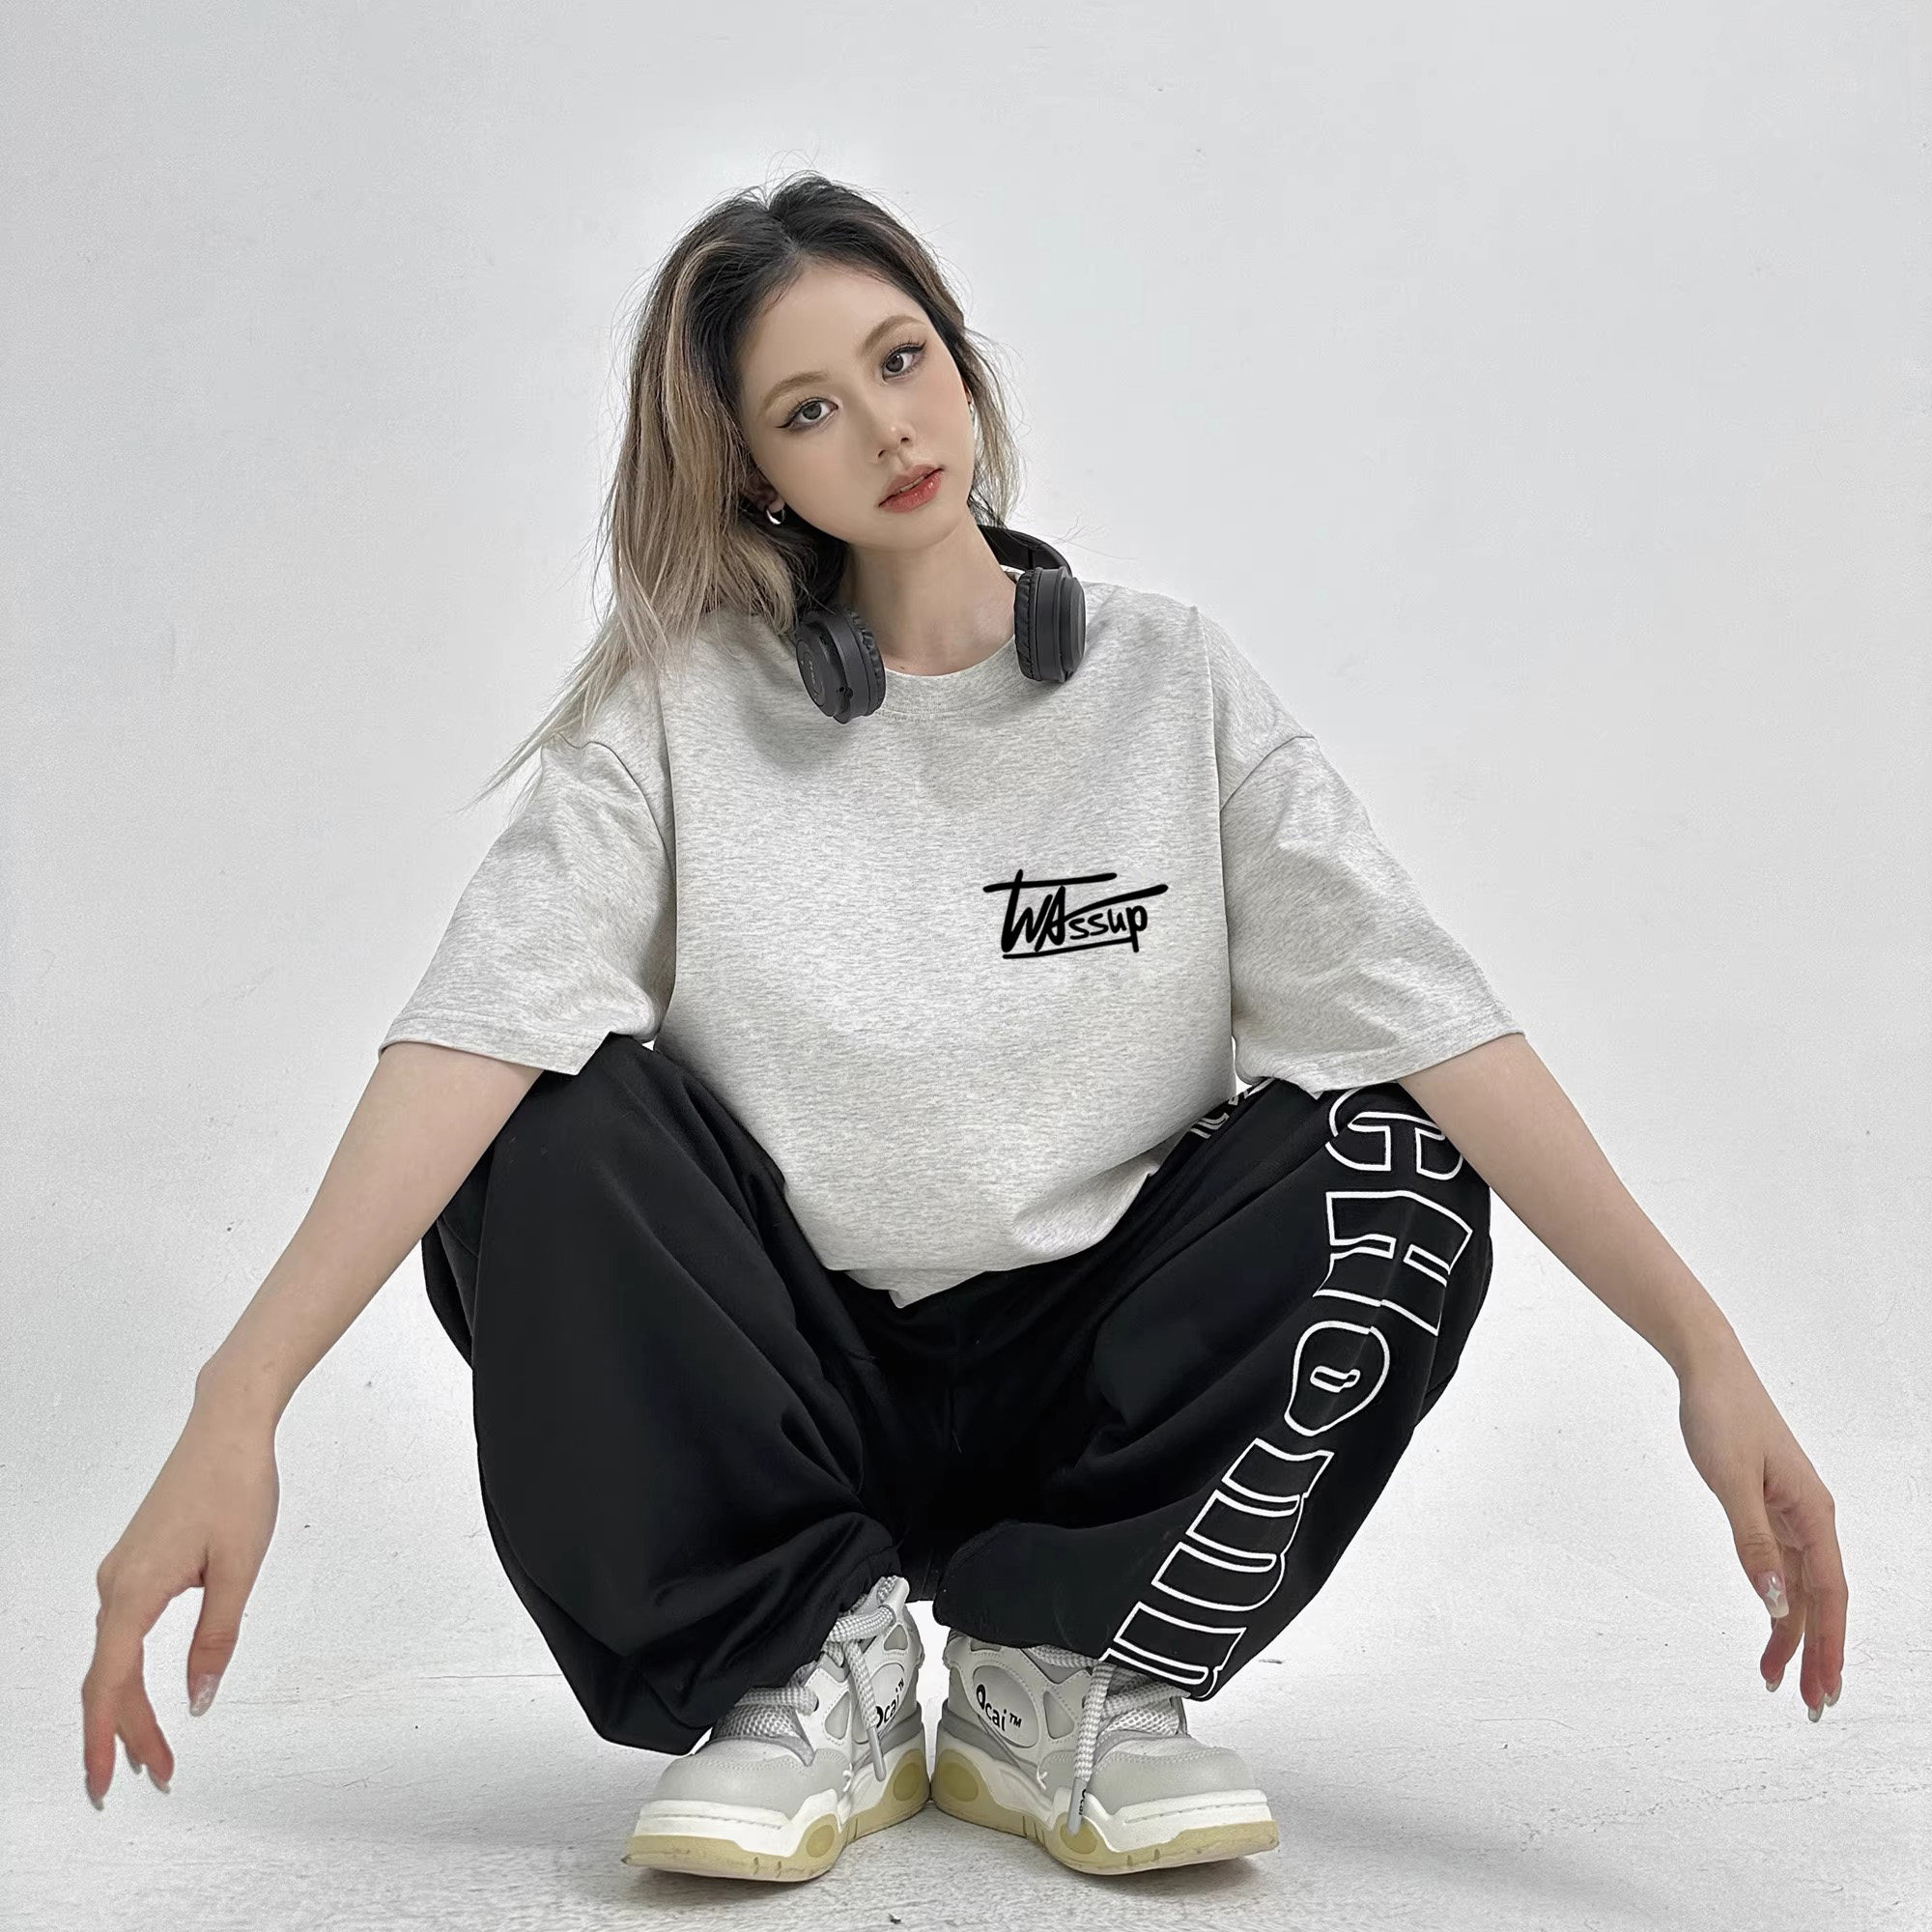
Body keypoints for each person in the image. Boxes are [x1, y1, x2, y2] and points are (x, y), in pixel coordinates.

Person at [81, 172, 1850, 1885]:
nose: (886, 428)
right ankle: (804, 1669)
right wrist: (242, 1400)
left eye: (902, 359)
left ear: (961, 357)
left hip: (1092, 1380)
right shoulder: (683, 709)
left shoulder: (1172, 679)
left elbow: (1438, 1028)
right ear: (757, 472)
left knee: (1396, 1152)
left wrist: (1699, 1350)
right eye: (809, 410)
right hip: (782, 1383)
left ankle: (1058, 1671)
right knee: (534, 1125)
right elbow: (471, 1030)